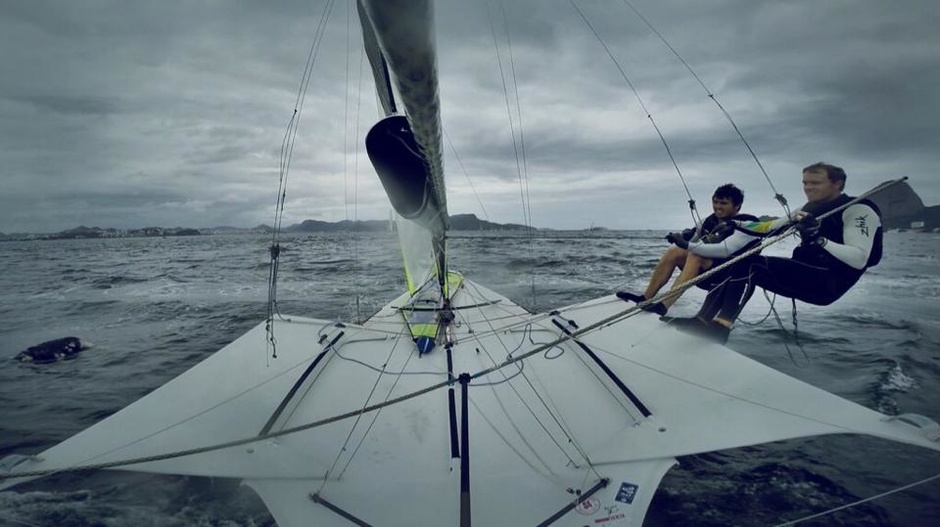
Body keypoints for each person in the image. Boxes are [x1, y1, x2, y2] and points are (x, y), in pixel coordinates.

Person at [670, 162, 883, 343]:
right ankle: (702, 321)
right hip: (808, 272)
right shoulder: (809, 209)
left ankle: (721, 327)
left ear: (837, 184)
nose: (808, 188)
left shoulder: (858, 210)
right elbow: (769, 227)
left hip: (829, 283)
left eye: (815, 183)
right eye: (805, 183)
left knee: (749, 264)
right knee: (737, 261)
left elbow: (859, 258)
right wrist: (734, 224)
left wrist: (819, 238)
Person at [616, 183, 760, 315]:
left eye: (723, 203)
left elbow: (725, 250)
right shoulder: (707, 222)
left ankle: (664, 305)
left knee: (695, 254)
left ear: (737, 206)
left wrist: (687, 245)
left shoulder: (748, 224)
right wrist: (682, 238)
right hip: (705, 274)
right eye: (715, 202)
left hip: (728, 278)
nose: (718, 207)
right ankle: (646, 297)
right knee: (674, 251)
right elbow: (691, 241)